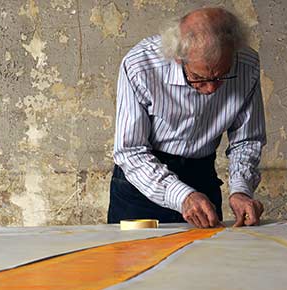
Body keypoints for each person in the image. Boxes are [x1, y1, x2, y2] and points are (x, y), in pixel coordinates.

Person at [108, 7, 266, 228]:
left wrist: (241, 190)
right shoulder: (140, 66)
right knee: (134, 261)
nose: (211, 89)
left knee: (204, 260)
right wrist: (182, 195)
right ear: (178, 58)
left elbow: (247, 140)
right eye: (199, 78)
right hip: (141, 183)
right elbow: (130, 151)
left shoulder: (247, 65)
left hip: (202, 175)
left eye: (221, 76)